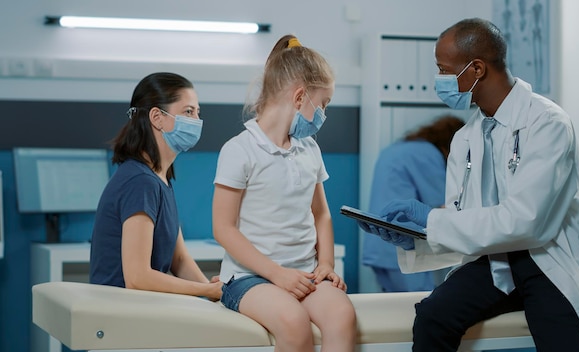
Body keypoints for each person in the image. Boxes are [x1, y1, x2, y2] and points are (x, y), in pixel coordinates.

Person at [360, 18, 579, 351]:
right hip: (496, 263)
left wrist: (432, 218)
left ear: (477, 69)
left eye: (443, 70)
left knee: (563, 339)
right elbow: (466, 219)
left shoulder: (547, 123)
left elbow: (525, 221)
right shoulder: (466, 137)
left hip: (550, 261)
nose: (439, 81)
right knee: (432, 317)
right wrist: (418, 238)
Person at [212, 34, 356, 352]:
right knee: (293, 322)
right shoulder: (240, 150)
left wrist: (327, 264)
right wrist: (278, 275)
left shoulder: (309, 149)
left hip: (305, 272)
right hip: (248, 278)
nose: (324, 114)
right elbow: (223, 228)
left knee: (342, 315)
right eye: (324, 104)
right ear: (300, 97)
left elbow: (321, 214)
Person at [90, 72, 222, 301]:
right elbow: (137, 277)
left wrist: (216, 295)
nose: (196, 121)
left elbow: (178, 260)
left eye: (198, 113)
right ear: (157, 117)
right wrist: (206, 291)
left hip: (145, 309)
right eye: (188, 112)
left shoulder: (160, 178)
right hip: (122, 315)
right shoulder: (140, 182)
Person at [362, 115, 464, 292]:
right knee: (416, 308)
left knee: (395, 312)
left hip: (379, 247)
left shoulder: (399, 149)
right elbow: (444, 206)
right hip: (403, 246)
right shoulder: (429, 155)